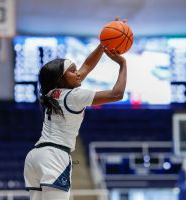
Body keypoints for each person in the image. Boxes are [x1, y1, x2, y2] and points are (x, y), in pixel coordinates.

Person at [24, 27, 127, 200]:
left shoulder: (51, 93)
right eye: (72, 70)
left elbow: (86, 66)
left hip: (35, 156)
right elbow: (117, 94)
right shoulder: (73, 96)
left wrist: (103, 45)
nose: (78, 72)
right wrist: (123, 64)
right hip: (54, 156)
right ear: (61, 79)